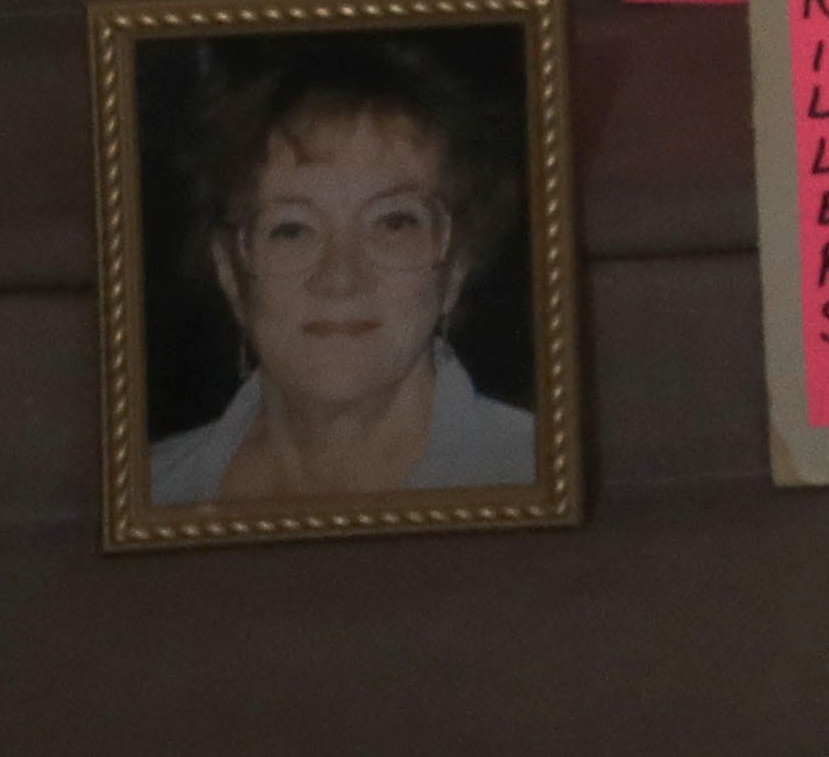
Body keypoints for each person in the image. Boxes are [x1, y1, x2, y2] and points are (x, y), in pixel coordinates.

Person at [148, 37, 543, 507]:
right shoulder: (152, 491)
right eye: (292, 229)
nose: (340, 278)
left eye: (393, 223)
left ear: (455, 267)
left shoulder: (536, 472)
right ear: (230, 272)